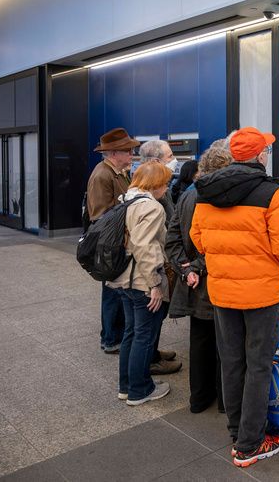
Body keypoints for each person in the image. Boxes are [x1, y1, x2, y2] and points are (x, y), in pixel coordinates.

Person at [190, 126, 279, 468]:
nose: (268, 155)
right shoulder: (273, 193)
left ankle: (236, 429)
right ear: (259, 156)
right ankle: (250, 443)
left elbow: (199, 239)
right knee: (259, 364)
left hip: (223, 291)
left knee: (232, 361)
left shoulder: (205, 191)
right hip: (262, 293)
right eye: (266, 150)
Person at [166, 149, 232, 413]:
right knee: (225, 343)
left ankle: (199, 398)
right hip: (217, 280)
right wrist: (195, 267)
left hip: (193, 284)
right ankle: (224, 401)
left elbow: (171, 240)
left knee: (200, 340)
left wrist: (186, 270)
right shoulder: (221, 199)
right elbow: (220, 244)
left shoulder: (186, 196)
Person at [107, 161, 173, 406]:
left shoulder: (127, 200)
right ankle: (140, 389)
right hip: (142, 281)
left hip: (122, 278)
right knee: (144, 336)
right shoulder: (151, 208)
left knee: (131, 333)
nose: (166, 188)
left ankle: (126, 386)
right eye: (165, 183)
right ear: (154, 184)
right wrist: (155, 283)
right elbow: (145, 247)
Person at [86, 127, 140, 354]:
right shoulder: (102, 175)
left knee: (116, 293)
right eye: (127, 151)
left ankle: (112, 336)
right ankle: (110, 339)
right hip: (111, 244)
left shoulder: (118, 172)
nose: (131, 155)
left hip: (118, 241)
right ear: (114, 153)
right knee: (112, 293)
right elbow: (100, 216)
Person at [138, 140, 182, 375]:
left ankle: (153, 353)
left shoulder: (150, 190)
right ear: (156, 162)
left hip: (157, 265)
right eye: (170, 155)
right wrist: (155, 281)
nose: (174, 160)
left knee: (154, 318)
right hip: (154, 268)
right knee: (150, 318)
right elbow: (147, 242)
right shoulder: (153, 197)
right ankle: (149, 362)